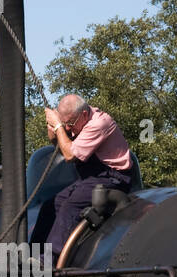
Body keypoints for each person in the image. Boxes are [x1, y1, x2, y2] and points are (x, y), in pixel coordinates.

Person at [32, 94, 133, 255]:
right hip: (91, 178)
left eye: (70, 124)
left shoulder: (99, 123)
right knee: (51, 206)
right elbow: (60, 145)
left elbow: (70, 155)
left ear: (84, 115)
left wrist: (58, 126)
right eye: (65, 124)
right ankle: (33, 253)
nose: (68, 129)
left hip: (113, 177)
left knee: (71, 205)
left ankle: (51, 258)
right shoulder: (78, 121)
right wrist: (53, 129)